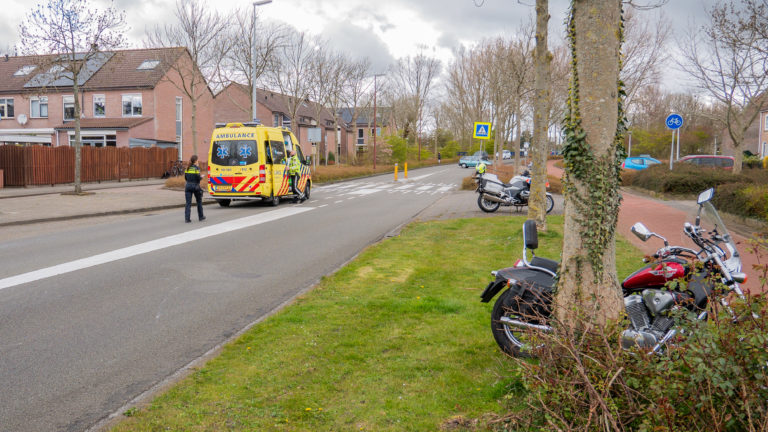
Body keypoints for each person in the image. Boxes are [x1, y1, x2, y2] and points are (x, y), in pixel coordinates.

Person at [184, 154, 205, 223]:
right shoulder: (196, 168)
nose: (198, 161)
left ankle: (187, 219)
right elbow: (198, 178)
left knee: (188, 203)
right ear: (195, 161)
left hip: (188, 186)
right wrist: (202, 177)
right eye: (197, 160)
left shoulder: (187, 168)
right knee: (199, 202)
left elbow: (186, 178)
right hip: (195, 186)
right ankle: (201, 217)